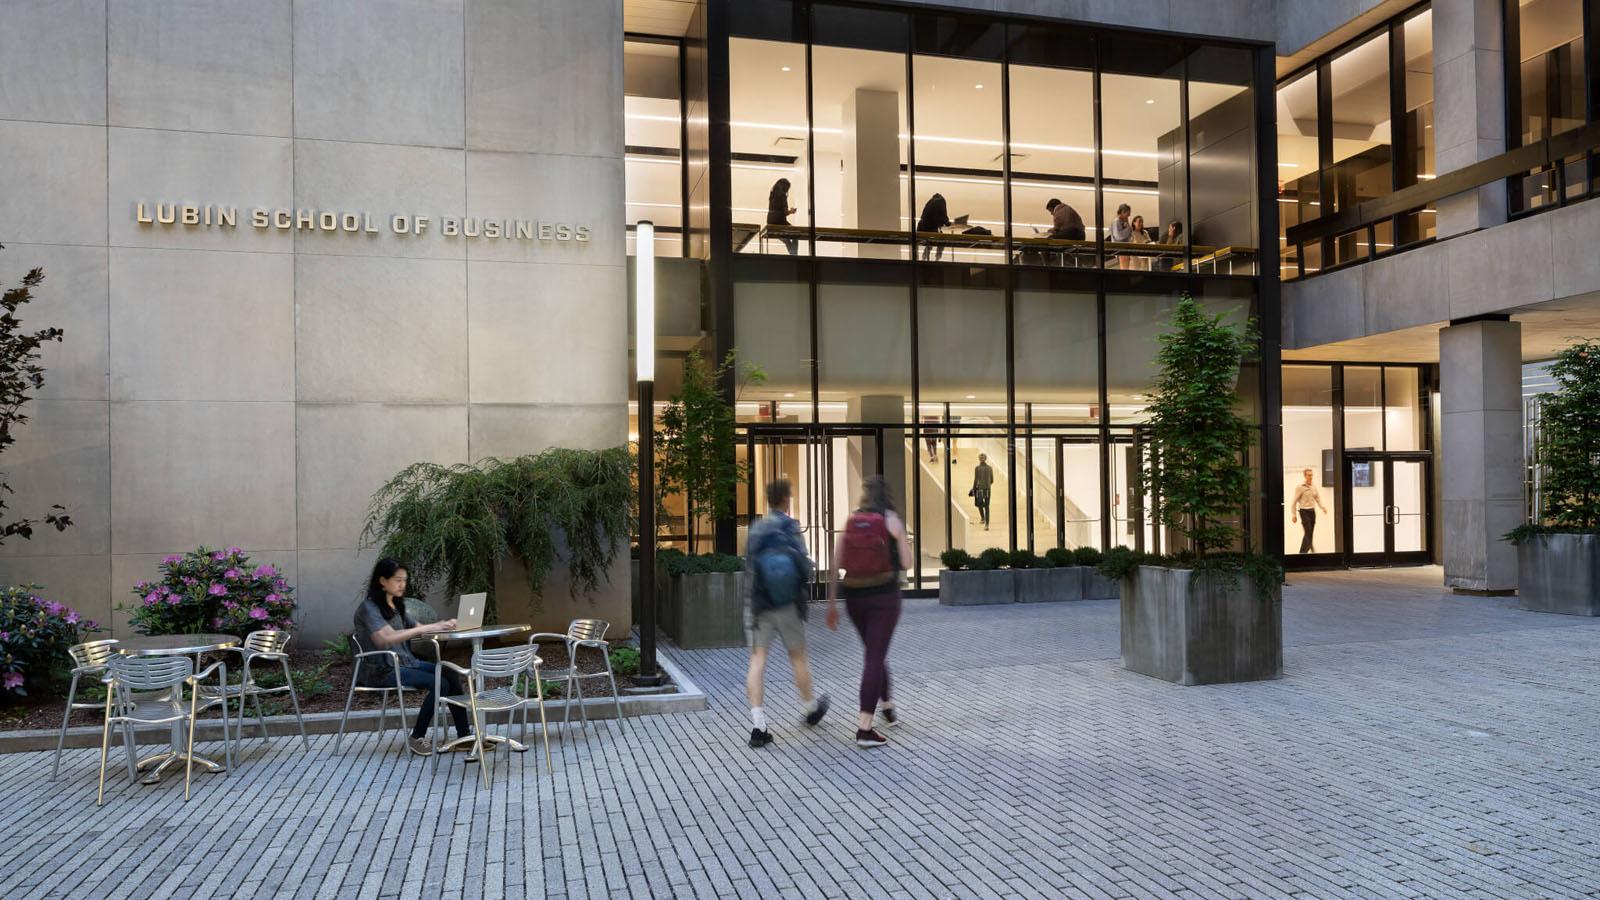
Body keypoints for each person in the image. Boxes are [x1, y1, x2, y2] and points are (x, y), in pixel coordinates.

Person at [353, 558, 473, 757]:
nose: (402, 584)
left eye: (405, 580)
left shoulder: (397, 606)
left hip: (406, 663)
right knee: (439, 683)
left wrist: (446, 625)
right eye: (397, 580)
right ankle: (417, 737)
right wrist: (429, 627)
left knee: (449, 673)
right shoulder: (369, 608)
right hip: (382, 670)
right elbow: (385, 639)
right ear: (382, 581)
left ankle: (464, 736)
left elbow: (419, 630)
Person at [825, 475, 912, 748]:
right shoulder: (891, 520)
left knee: (874, 651)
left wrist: (830, 604)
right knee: (874, 656)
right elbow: (907, 564)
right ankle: (864, 728)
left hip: (854, 598)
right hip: (884, 597)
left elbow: (836, 562)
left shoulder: (852, 521)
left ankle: (887, 705)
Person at [744, 479, 829, 749]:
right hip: (788, 605)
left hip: (761, 605)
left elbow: (749, 568)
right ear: (786, 499)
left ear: (768, 499)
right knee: (798, 658)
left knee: (757, 661)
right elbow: (804, 567)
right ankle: (809, 707)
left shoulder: (756, 529)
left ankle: (759, 725)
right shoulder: (791, 527)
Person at [1292, 468, 1328, 554]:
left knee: (1310, 533)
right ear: (1305, 476)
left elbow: (1317, 498)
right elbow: (1294, 502)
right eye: (1308, 475)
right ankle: (1303, 553)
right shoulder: (1300, 487)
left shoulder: (1313, 487)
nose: (1310, 477)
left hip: (1312, 511)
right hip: (1304, 511)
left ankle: (1308, 551)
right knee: (1308, 531)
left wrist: (1322, 507)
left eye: (1311, 475)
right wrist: (1294, 515)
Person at [766, 178, 798, 256]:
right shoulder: (782, 195)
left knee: (787, 241)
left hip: (770, 221)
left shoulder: (772, 194)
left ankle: (793, 254)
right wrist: (792, 211)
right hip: (780, 221)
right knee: (796, 235)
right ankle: (794, 255)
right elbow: (785, 213)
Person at [916, 193, 951, 261]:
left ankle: (924, 257)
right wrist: (949, 224)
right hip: (929, 229)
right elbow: (943, 217)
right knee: (942, 240)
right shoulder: (941, 201)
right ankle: (937, 258)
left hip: (921, 228)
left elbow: (936, 217)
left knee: (931, 241)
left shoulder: (930, 202)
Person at [970, 452, 994, 529]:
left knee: (979, 503)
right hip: (987, 489)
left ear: (980, 459)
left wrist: (973, 489)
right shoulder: (990, 468)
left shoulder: (977, 468)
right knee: (986, 507)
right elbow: (992, 480)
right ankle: (986, 523)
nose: (982, 459)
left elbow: (975, 480)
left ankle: (983, 519)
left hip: (980, 489)